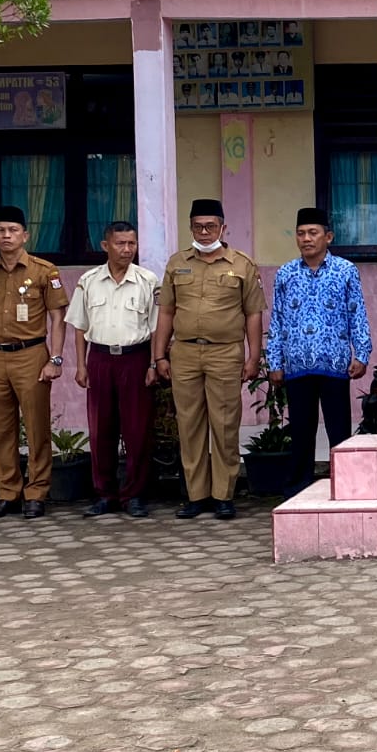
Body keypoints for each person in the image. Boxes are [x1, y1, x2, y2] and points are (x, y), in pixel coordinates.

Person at [151, 199, 266, 520]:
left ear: (223, 228)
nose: (204, 232)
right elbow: (167, 312)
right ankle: (196, 495)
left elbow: (253, 314)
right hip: (184, 352)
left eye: (210, 226)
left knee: (225, 423)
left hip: (225, 353)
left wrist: (253, 356)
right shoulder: (177, 263)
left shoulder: (241, 264)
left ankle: (223, 494)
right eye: (198, 226)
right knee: (188, 425)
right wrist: (158, 355)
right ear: (190, 227)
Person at [0, 206, 68, 519]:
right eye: (1, 231)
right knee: (1, 429)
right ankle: (8, 493)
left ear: (26, 235)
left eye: (13, 230)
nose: (7, 236)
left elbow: (58, 317)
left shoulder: (44, 271)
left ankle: (36, 492)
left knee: (37, 428)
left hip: (32, 355)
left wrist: (56, 358)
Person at [267, 208, 373, 497]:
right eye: (301, 233)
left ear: (328, 236)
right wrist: (274, 361)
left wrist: (361, 353)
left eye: (313, 233)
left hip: (335, 363)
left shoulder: (345, 270)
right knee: (301, 429)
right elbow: (276, 319)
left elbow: (357, 314)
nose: (306, 239)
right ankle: (298, 488)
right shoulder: (286, 273)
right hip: (297, 364)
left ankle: (346, 485)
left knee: (338, 428)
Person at [67, 221, 159, 518]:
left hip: (136, 358)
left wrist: (154, 363)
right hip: (100, 358)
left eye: (131, 243)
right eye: (120, 243)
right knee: (101, 429)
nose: (127, 249)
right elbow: (80, 327)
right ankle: (105, 494)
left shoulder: (148, 280)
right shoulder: (89, 280)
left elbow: (157, 328)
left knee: (137, 430)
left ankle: (134, 495)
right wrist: (81, 365)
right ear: (105, 245)